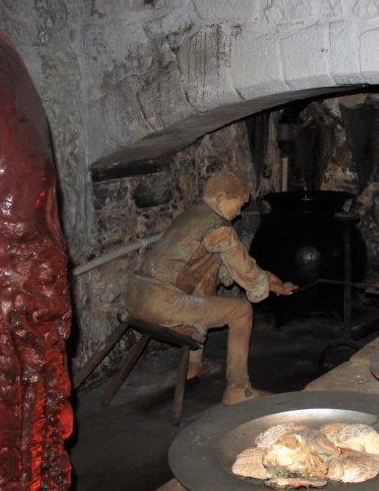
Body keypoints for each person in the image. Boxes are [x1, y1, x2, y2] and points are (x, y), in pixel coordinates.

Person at [126, 171, 297, 404]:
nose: (239, 212)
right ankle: (238, 389)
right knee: (241, 311)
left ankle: (193, 366)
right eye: (238, 204)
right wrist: (267, 284)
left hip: (137, 296)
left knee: (204, 292)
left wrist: (273, 284)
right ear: (220, 198)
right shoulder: (219, 229)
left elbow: (220, 273)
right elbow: (247, 272)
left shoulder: (193, 216)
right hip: (163, 303)